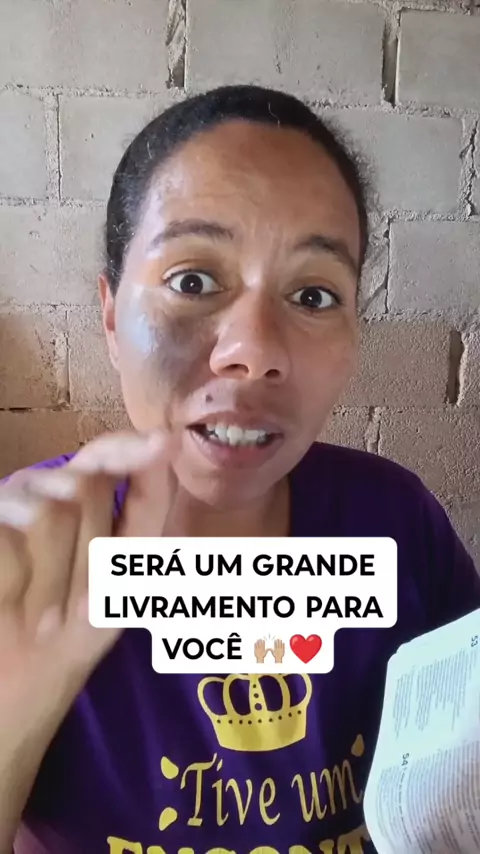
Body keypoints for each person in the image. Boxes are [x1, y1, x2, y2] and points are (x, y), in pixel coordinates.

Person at [0, 85, 478, 854]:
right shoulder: (24, 561)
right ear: (112, 315)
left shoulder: (396, 524)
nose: (253, 350)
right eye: (192, 280)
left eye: (313, 294)